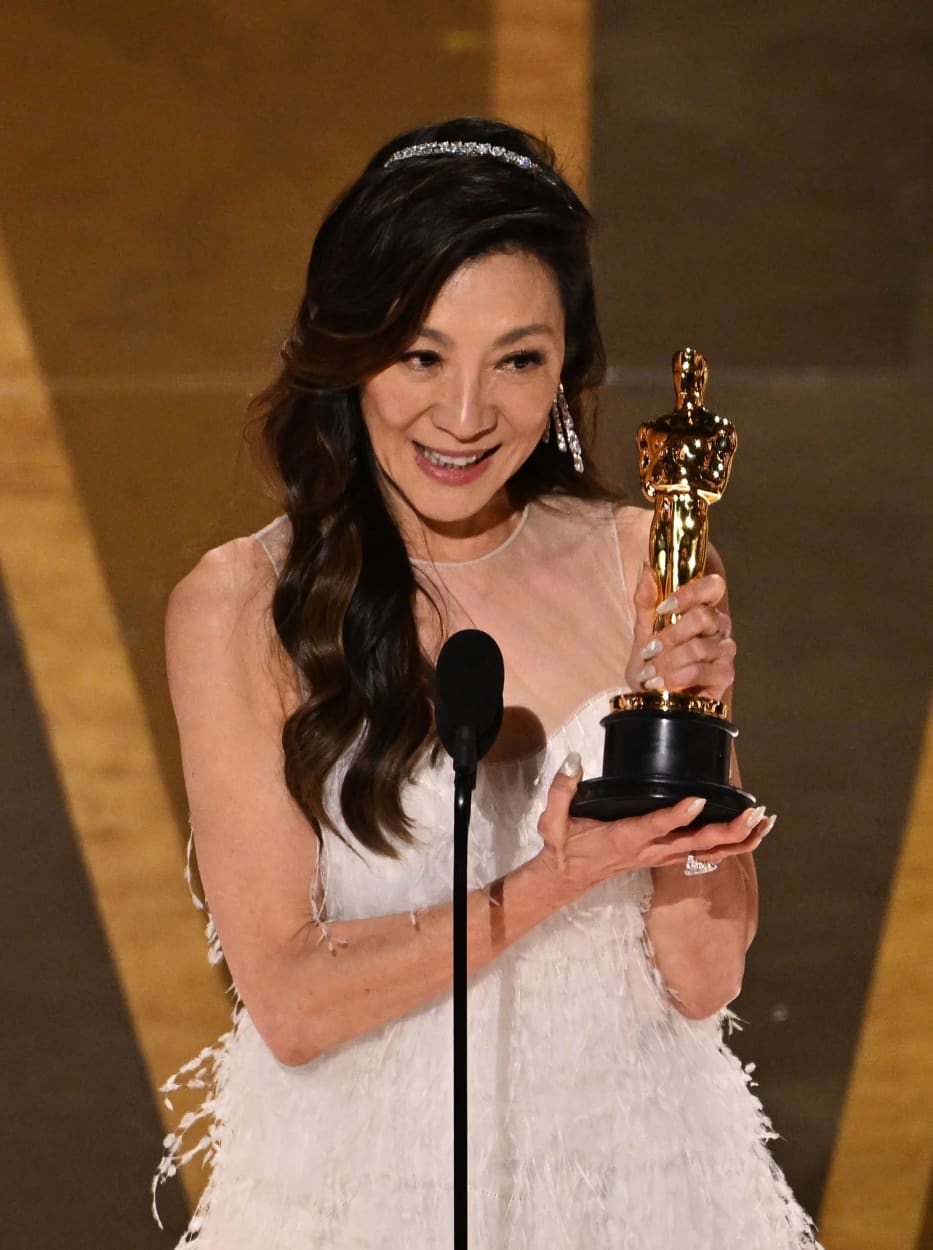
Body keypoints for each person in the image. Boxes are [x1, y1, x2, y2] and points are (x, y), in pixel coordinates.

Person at [156, 118, 819, 1248]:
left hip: (642, 1185)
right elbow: (297, 1002)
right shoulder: (237, 609)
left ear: (567, 363)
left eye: (517, 359)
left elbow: (704, 977)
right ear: (347, 347)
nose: (464, 417)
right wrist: (559, 877)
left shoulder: (641, 558)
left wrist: (695, 745)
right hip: (364, 1198)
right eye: (421, 354)